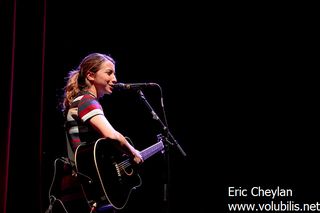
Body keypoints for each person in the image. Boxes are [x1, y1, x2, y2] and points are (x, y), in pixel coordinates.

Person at [56, 52, 144, 213]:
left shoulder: (80, 100)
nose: (115, 79)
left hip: (79, 184)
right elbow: (111, 135)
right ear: (91, 75)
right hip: (81, 185)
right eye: (109, 73)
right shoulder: (87, 101)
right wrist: (133, 152)